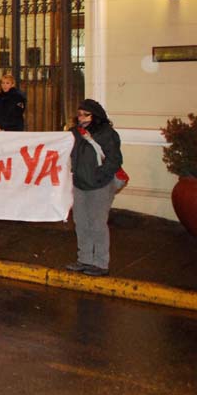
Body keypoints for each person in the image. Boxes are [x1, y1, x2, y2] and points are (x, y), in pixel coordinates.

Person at [66, 99, 123, 277]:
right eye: (79, 114)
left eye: (86, 114)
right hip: (79, 184)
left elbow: (115, 160)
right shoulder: (74, 133)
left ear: (95, 116)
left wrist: (100, 175)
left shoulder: (107, 134)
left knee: (97, 223)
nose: (81, 118)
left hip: (99, 185)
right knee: (81, 222)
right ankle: (84, 259)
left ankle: (100, 262)